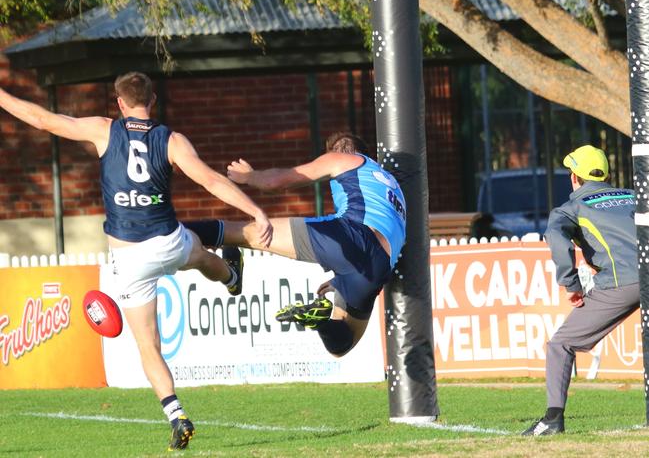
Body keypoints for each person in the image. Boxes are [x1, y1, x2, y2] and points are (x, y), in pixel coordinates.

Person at [0, 72, 272, 450]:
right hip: (167, 241)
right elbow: (210, 180)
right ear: (153, 101)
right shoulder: (172, 140)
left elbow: (43, 119)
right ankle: (229, 275)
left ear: (119, 103)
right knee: (197, 252)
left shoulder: (104, 130)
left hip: (128, 257)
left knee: (148, 346)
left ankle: (176, 415)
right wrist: (256, 211)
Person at [198, 132, 406, 357]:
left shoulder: (344, 159)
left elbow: (279, 180)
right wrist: (343, 275)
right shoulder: (393, 186)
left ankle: (179, 231)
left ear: (333, 152)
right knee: (341, 344)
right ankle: (319, 322)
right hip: (378, 267)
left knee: (244, 232)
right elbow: (380, 243)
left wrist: (250, 176)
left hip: (350, 237)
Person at [522, 145, 639, 436]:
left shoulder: (571, 208)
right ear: (606, 174)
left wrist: (570, 284)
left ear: (574, 178)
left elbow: (557, 240)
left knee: (561, 345)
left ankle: (552, 419)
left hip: (621, 284)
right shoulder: (634, 195)